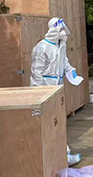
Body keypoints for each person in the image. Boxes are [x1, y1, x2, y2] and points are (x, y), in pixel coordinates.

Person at [31, 17, 83, 165]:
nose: (64, 33)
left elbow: (64, 62)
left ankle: (63, 154)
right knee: (49, 123)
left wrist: (71, 72)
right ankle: (56, 155)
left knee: (58, 121)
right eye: (61, 30)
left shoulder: (60, 47)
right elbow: (36, 73)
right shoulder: (42, 48)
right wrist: (37, 94)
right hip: (46, 87)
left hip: (58, 87)